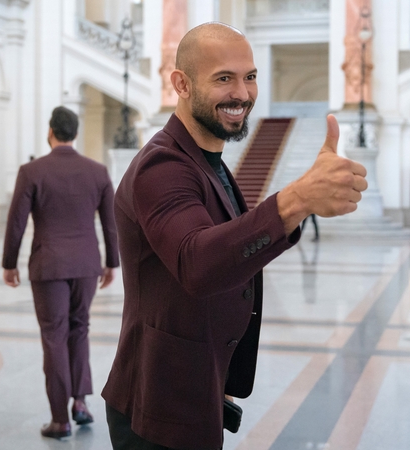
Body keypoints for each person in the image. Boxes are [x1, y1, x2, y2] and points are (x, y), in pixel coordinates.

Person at [101, 23, 367, 450]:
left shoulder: (210, 161)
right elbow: (198, 262)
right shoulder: (162, 166)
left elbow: (230, 252)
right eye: (224, 78)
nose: (242, 93)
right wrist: (295, 199)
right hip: (156, 402)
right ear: (181, 84)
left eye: (251, 76)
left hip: (198, 384)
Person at [2, 106, 119, 440]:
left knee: (54, 335)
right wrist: (112, 262)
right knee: (79, 328)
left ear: (50, 131)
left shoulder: (31, 171)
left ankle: (59, 419)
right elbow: (111, 224)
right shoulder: (97, 172)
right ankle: (80, 403)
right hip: (86, 264)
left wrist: (9, 263)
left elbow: (16, 222)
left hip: (49, 264)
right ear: (76, 133)